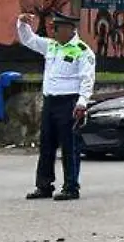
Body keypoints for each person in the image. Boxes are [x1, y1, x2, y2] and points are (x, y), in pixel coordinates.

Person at [17, 11, 96, 201]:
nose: (53, 32)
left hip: (69, 102)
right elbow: (29, 40)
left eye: (57, 28)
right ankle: (44, 186)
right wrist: (22, 24)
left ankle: (71, 187)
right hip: (50, 101)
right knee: (47, 145)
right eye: (53, 28)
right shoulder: (52, 46)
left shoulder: (82, 50)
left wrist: (82, 102)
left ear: (70, 29)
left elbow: (87, 79)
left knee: (70, 147)